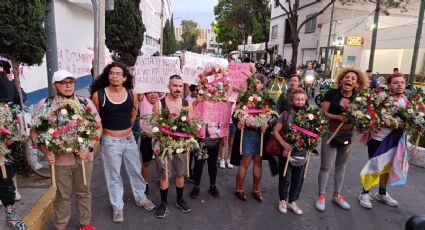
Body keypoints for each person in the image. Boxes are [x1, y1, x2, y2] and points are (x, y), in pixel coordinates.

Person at [32, 70, 102, 230]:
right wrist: (45, 151)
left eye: (71, 82)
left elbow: (98, 127)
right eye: (64, 82)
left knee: (84, 191)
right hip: (59, 160)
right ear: (54, 85)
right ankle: (61, 225)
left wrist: (89, 148)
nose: (69, 85)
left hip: (83, 158)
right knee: (61, 195)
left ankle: (85, 223)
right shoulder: (45, 105)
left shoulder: (84, 103)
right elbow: (35, 132)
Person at [90, 62, 155, 223]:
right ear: (108, 76)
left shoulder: (131, 93)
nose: (114, 76)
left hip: (129, 140)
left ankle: (141, 198)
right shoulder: (99, 95)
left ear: (125, 78)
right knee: (113, 176)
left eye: (118, 74)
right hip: (110, 142)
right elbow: (95, 120)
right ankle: (117, 207)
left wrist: (126, 131)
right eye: (111, 73)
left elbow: (133, 116)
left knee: (135, 170)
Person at [315, 67, 368, 211]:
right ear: (341, 80)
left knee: (341, 166)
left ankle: (337, 195)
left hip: (347, 136)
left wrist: (362, 122)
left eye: (352, 79)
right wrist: (337, 117)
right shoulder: (331, 94)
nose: (349, 80)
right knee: (325, 167)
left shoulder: (358, 98)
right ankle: (321, 196)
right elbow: (324, 112)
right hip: (330, 133)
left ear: (357, 84)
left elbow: (362, 116)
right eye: (346, 77)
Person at [358, 73, 408, 209]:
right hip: (378, 138)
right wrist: (395, 124)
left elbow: (409, 119)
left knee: (387, 167)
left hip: (397, 140)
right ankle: (364, 193)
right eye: (396, 82)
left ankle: (382, 193)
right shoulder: (381, 99)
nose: (399, 85)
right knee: (374, 166)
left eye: (401, 82)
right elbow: (374, 117)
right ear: (390, 84)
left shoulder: (406, 100)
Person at [154, 75, 192, 218]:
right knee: (164, 175)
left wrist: (188, 140)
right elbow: (155, 126)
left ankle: (179, 199)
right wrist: (161, 139)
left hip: (180, 146)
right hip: (164, 146)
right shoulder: (159, 104)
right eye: (174, 86)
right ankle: (163, 203)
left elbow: (190, 126)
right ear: (168, 86)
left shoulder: (187, 104)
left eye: (180, 86)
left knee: (180, 173)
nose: (177, 89)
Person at [234, 74, 269, 202]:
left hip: (261, 133)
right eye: (253, 82)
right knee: (246, 161)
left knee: (258, 161)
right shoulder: (243, 98)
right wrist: (239, 121)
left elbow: (272, 114)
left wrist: (267, 124)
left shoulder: (266, 99)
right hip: (248, 133)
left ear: (262, 85)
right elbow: (235, 113)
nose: (256, 84)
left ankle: (256, 189)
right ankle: (239, 188)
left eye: (259, 82)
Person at [273, 88, 309, 215]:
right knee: (285, 177)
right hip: (286, 153)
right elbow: (276, 131)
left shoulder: (310, 116)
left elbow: (315, 133)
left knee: (298, 179)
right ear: (292, 101)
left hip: (302, 153)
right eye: (297, 99)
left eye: (302, 99)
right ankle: (282, 200)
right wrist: (283, 144)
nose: (300, 102)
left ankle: (292, 201)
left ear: (305, 101)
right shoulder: (285, 115)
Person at [0, 64, 25, 230]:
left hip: (3, 140)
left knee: (5, 176)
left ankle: (10, 212)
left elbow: (16, 108)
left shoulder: (7, 85)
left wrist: (19, 127)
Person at [138, 91, 160, 195]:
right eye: (150, 92)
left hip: (160, 136)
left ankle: (162, 178)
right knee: (146, 162)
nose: (153, 95)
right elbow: (141, 87)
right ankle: (145, 183)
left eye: (155, 92)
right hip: (146, 136)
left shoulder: (162, 99)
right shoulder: (142, 99)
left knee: (161, 161)